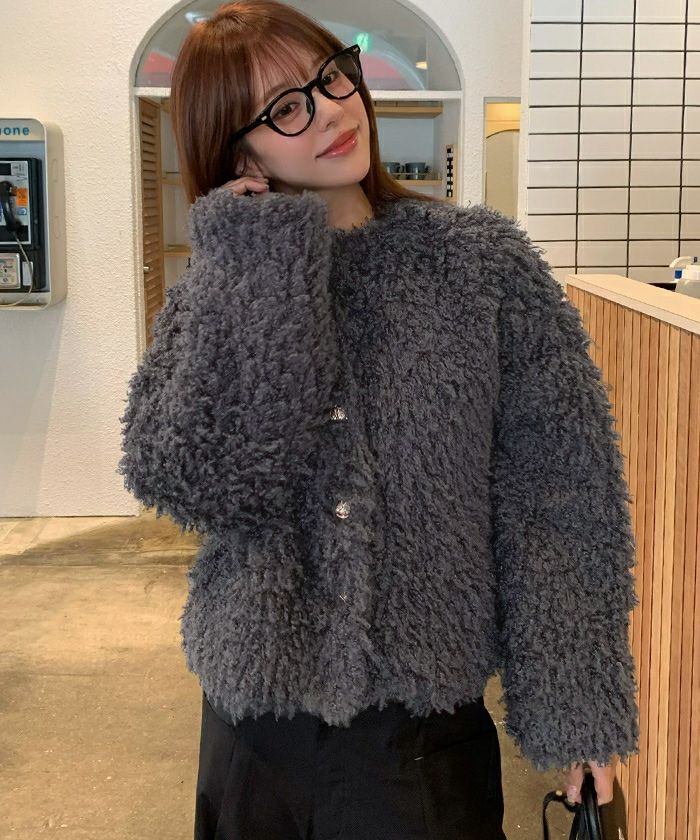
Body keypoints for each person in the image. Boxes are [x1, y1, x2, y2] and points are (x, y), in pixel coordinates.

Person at [118, 1, 640, 837]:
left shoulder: (482, 266)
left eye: (332, 77)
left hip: (422, 735)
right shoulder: (222, 288)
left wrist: (577, 707)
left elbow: (557, 495)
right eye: (286, 108)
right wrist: (260, 266)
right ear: (239, 149)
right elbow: (192, 482)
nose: (332, 109)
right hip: (256, 730)